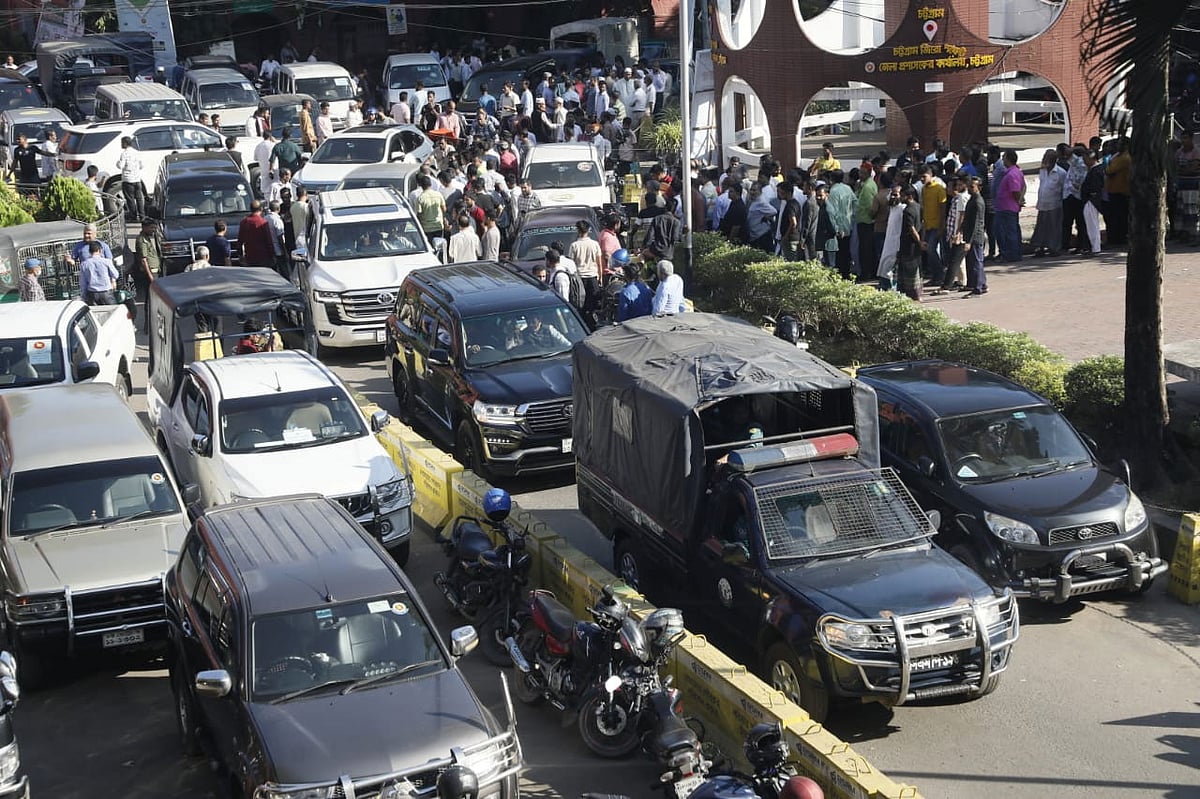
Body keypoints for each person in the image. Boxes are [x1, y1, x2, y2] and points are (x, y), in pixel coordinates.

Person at [1030, 149, 1066, 257]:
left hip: (1054, 204)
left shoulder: (1060, 173)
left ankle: (1054, 248)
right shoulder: (1042, 171)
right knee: (1041, 227)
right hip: (1042, 204)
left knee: (1054, 227)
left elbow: (1064, 189)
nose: (1044, 161)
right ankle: (1039, 247)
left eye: (1047, 159)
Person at [994, 149, 1025, 262]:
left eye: (1004, 157)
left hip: (1008, 208)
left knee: (1009, 233)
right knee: (1009, 232)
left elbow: (1016, 190)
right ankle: (1011, 254)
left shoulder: (1013, 174)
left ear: (1008, 159)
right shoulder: (1014, 172)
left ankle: (1012, 255)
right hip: (1005, 207)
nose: (1003, 160)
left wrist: (1019, 200)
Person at [567, 220, 602, 316]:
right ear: (588, 230)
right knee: (593, 304)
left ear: (578, 230)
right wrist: (600, 277)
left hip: (580, 278)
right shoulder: (595, 244)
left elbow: (571, 263)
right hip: (593, 276)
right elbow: (599, 263)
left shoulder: (574, 246)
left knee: (581, 304)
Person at [961, 176, 988, 297]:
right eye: (969, 186)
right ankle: (980, 284)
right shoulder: (973, 199)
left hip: (975, 237)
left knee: (977, 262)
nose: (969, 188)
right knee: (974, 262)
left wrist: (969, 241)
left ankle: (978, 288)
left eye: (972, 186)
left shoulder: (977, 201)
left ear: (979, 188)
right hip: (971, 236)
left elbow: (976, 223)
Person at [897, 185, 925, 301]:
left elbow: (911, 228)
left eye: (903, 195)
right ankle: (918, 293)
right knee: (917, 269)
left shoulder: (908, 210)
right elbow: (923, 223)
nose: (901, 197)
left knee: (909, 271)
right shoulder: (918, 207)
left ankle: (913, 295)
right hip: (916, 245)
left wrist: (919, 241)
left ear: (909, 196)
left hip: (909, 244)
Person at [133, 220, 162, 330]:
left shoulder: (150, 238)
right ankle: (149, 325)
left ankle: (153, 323)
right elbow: (144, 260)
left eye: (154, 228)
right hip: (150, 274)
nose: (153, 230)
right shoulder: (142, 240)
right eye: (151, 228)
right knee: (150, 300)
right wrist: (150, 276)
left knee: (156, 299)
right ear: (144, 227)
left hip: (155, 271)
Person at [1104, 136, 1131, 247]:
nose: (1117, 146)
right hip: (1113, 190)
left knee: (1119, 217)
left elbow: (1109, 170)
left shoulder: (1125, 157)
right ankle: (1115, 238)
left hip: (1121, 191)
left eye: (1120, 144)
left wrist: (1107, 166)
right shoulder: (1117, 156)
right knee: (1113, 216)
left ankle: (1118, 239)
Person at [78, 241, 119, 305]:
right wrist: (113, 280)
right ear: (100, 250)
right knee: (112, 311)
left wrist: (84, 295)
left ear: (89, 251)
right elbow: (116, 274)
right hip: (106, 291)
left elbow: (83, 282)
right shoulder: (106, 262)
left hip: (92, 293)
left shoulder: (84, 264)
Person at [239, 201, 276, 268]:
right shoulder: (263, 222)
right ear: (261, 209)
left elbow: (240, 240)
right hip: (263, 256)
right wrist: (272, 254)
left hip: (250, 256)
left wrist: (240, 254)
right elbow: (268, 240)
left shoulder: (244, 222)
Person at [115, 136, 145, 220]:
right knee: (139, 198)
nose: (121, 145)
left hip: (128, 179)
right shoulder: (137, 152)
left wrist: (117, 163)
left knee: (130, 199)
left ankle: (133, 215)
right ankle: (142, 215)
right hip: (137, 179)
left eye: (122, 143)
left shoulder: (124, 154)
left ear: (125, 143)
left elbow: (121, 166)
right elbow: (141, 166)